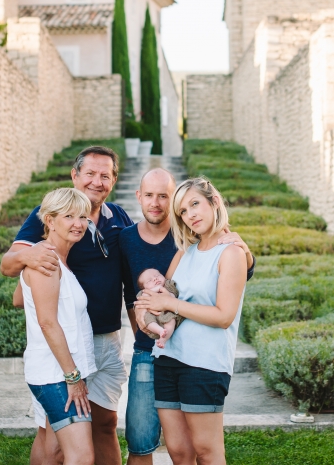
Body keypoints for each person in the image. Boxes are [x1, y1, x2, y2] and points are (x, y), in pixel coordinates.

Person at [2, 146, 132, 465]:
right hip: (60, 357)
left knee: (104, 425)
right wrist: (27, 257)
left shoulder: (117, 218)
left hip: (100, 345)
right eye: (89, 173)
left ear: (114, 180)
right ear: (75, 175)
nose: (97, 181)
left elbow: (133, 270)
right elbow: (11, 267)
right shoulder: (48, 236)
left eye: (105, 175)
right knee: (60, 444)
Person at [120, 169, 255, 465]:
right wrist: (147, 307)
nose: (190, 214)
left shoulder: (232, 253)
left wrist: (172, 304)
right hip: (168, 360)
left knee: (207, 452)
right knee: (179, 452)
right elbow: (163, 300)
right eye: (182, 210)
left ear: (214, 201)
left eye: (195, 204)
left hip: (204, 364)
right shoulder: (185, 252)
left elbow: (223, 316)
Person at [21, 188, 96, 465]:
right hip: (57, 375)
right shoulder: (48, 262)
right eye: (69, 216)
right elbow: (47, 322)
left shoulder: (55, 259)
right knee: (82, 456)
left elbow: (21, 296)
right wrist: (73, 378)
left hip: (59, 371)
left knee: (53, 448)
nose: (78, 224)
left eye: (83, 217)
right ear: (50, 221)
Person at [135, 268, 181, 348]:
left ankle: (163, 339)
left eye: (157, 275)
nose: (155, 278)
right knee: (147, 318)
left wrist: (161, 289)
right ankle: (159, 330)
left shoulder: (168, 284)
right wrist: (157, 289)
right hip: (153, 316)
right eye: (149, 281)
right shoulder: (143, 293)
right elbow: (142, 299)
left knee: (171, 320)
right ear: (144, 288)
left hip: (167, 313)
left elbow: (173, 296)